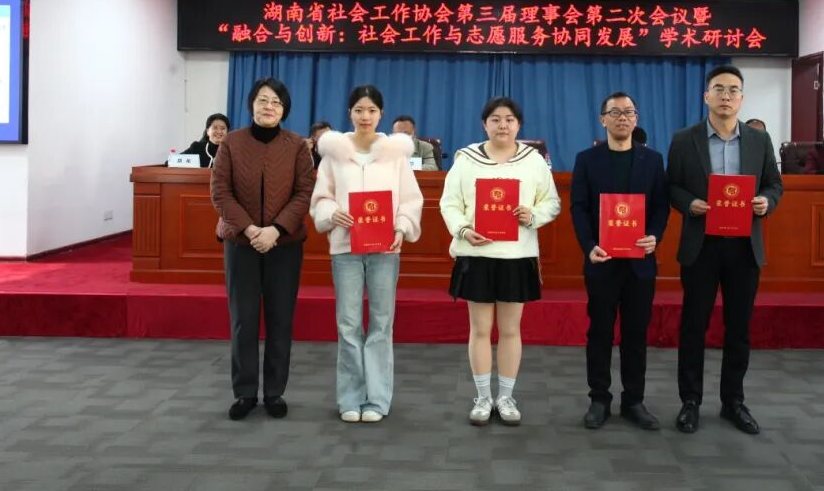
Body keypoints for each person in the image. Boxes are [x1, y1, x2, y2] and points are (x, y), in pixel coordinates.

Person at [665, 65, 783, 436]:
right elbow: (671, 186)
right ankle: (690, 401)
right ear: (706, 96)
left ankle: (733, 401)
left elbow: (774, 185)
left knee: (739, 328)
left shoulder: (759, 140)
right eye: (719, 89)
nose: (726, 96)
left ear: (742, 98)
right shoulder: (684, 139)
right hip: (702, 246)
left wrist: (766, 201)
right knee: (693, 326)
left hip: (744, 247)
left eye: (733, 90)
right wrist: (689, 204)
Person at [439, 97, 561, 427]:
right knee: (479, 330)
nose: (502, 125)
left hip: (516, 256)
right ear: (484, 124)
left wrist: (532, 215)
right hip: (476, 255)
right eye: (495, 119)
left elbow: (551, 203)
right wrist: (463, 229)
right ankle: (482, 397)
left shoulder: (533, 160)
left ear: (519, 125)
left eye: (509, 119)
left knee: (510, 330)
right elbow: (449, 203)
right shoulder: (466, 159)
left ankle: (505, 397)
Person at [311, 86, 422, 424]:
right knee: (348, 324)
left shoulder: (395, 154)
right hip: (345, 248)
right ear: (349, 113)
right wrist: (332, 213)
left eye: (371, 110)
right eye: (359, 110)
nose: (365, 116)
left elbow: (410, 199)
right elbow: (321, 198)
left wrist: (402, 227)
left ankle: (377, 398)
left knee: (381, 323)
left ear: (381, 114)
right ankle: (350, 397)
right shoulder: (333, 154)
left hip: (385, 249)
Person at [210, 78, 315, 421]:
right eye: (263, 100)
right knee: (243, 319)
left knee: (280, 320)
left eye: (276, 102)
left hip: (284, 245)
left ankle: (274, 392)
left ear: (285, 110)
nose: (269, 107)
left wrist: (275, 230)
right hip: (241, 243)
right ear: (251, 104)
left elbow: (304, 193)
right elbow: (220, 191)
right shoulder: (232, 143)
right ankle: (244, 393)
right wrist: (250, 228)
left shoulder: (297, 146)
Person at [570, 92, 669, 431]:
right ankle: (599, 399)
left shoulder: (652, 160)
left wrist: (655, 235)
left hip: (640, 262)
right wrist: (589, 246)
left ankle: (634, 401)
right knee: (599, 332)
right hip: (602, 260)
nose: (622, 117)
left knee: (635, 334)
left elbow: (661, 206)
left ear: (636, 118)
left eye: (629, 112)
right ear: (603, 119)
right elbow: (579, 208)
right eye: (615, 112)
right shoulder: (587, 159)